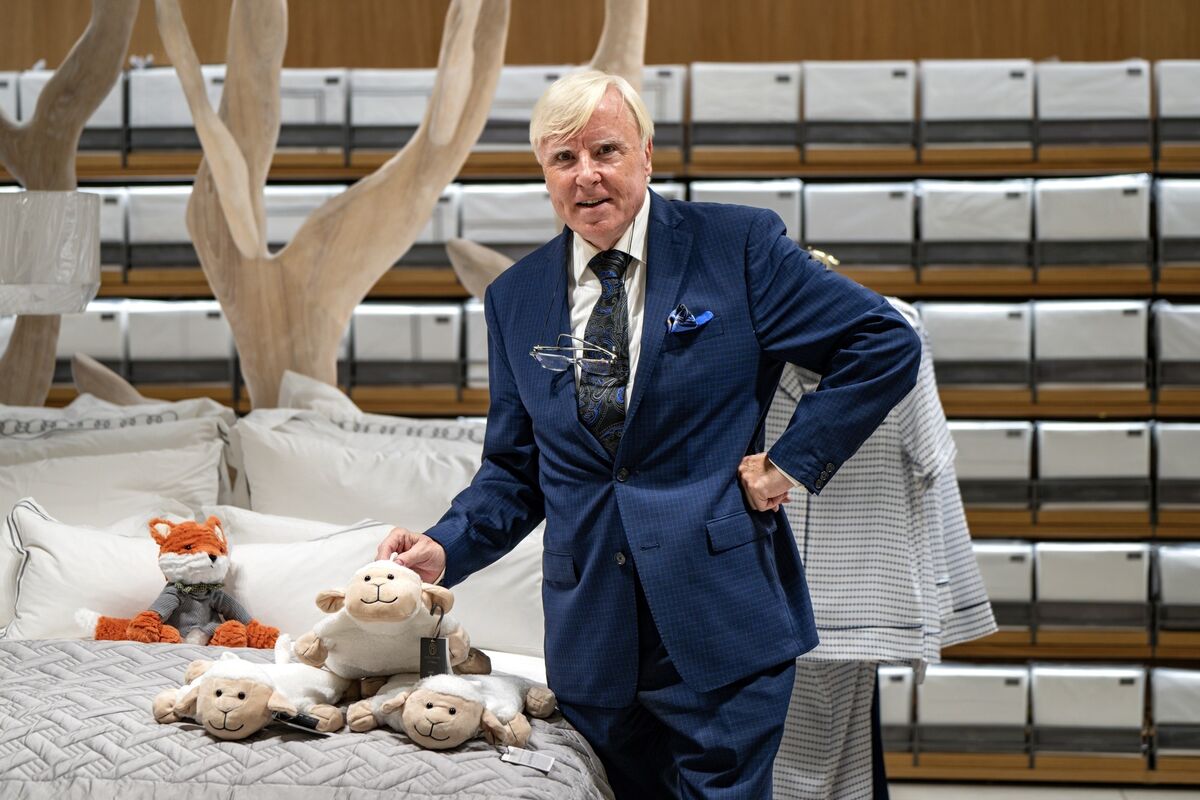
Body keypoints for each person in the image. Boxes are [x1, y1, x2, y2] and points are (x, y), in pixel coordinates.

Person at [376, 70, 922, 799]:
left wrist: (790, 462)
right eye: (564, 159)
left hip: (723, 618)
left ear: (646, 154)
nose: (587, 176)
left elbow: (882, 341)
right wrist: (446, 546)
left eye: (606, 151)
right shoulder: (516, 298)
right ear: (544, 170)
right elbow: (515, 470)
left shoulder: (737, 246)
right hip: (594, 638)